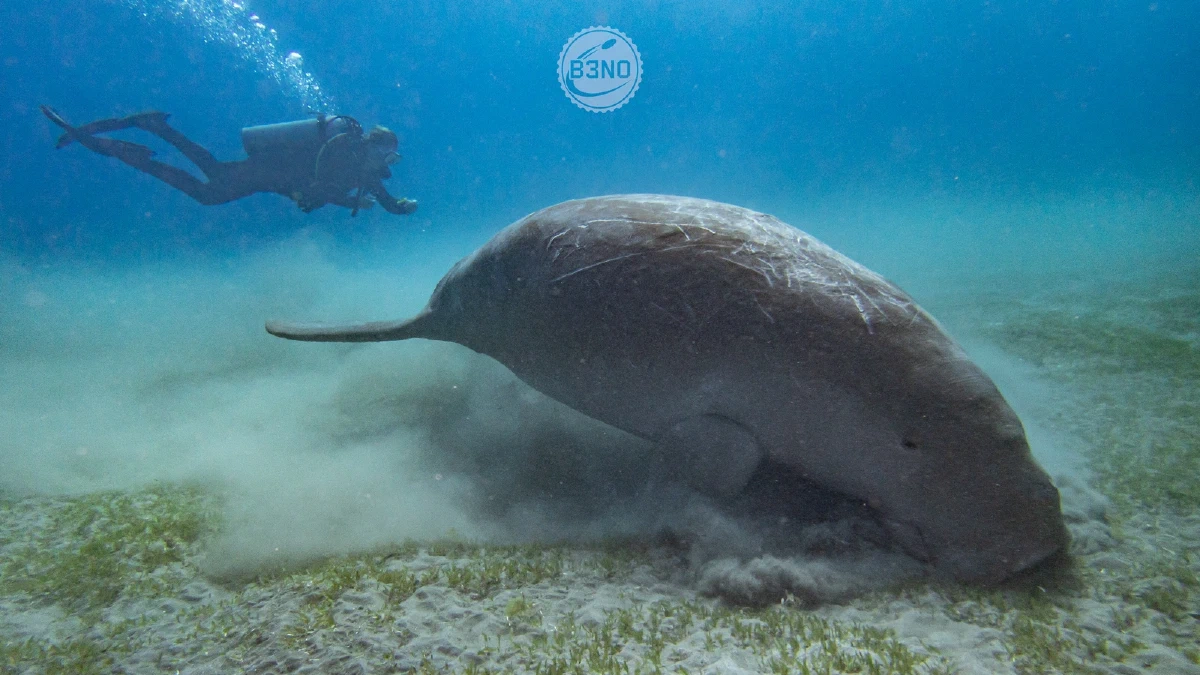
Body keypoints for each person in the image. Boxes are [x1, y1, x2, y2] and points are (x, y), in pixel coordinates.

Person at [40, 106, 418, 217]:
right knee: (209, 190)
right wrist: (349, 201)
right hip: (266, 173)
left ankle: (154, 130)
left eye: (390, 158)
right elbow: (317, 187)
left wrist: (399, 206)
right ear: (369, 145)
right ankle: (131, 148)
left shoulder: (360, 167)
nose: (386, 163)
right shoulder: (339, 151)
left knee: (212, 170)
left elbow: (383, 197)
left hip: (268, 177)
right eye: (384, 154)